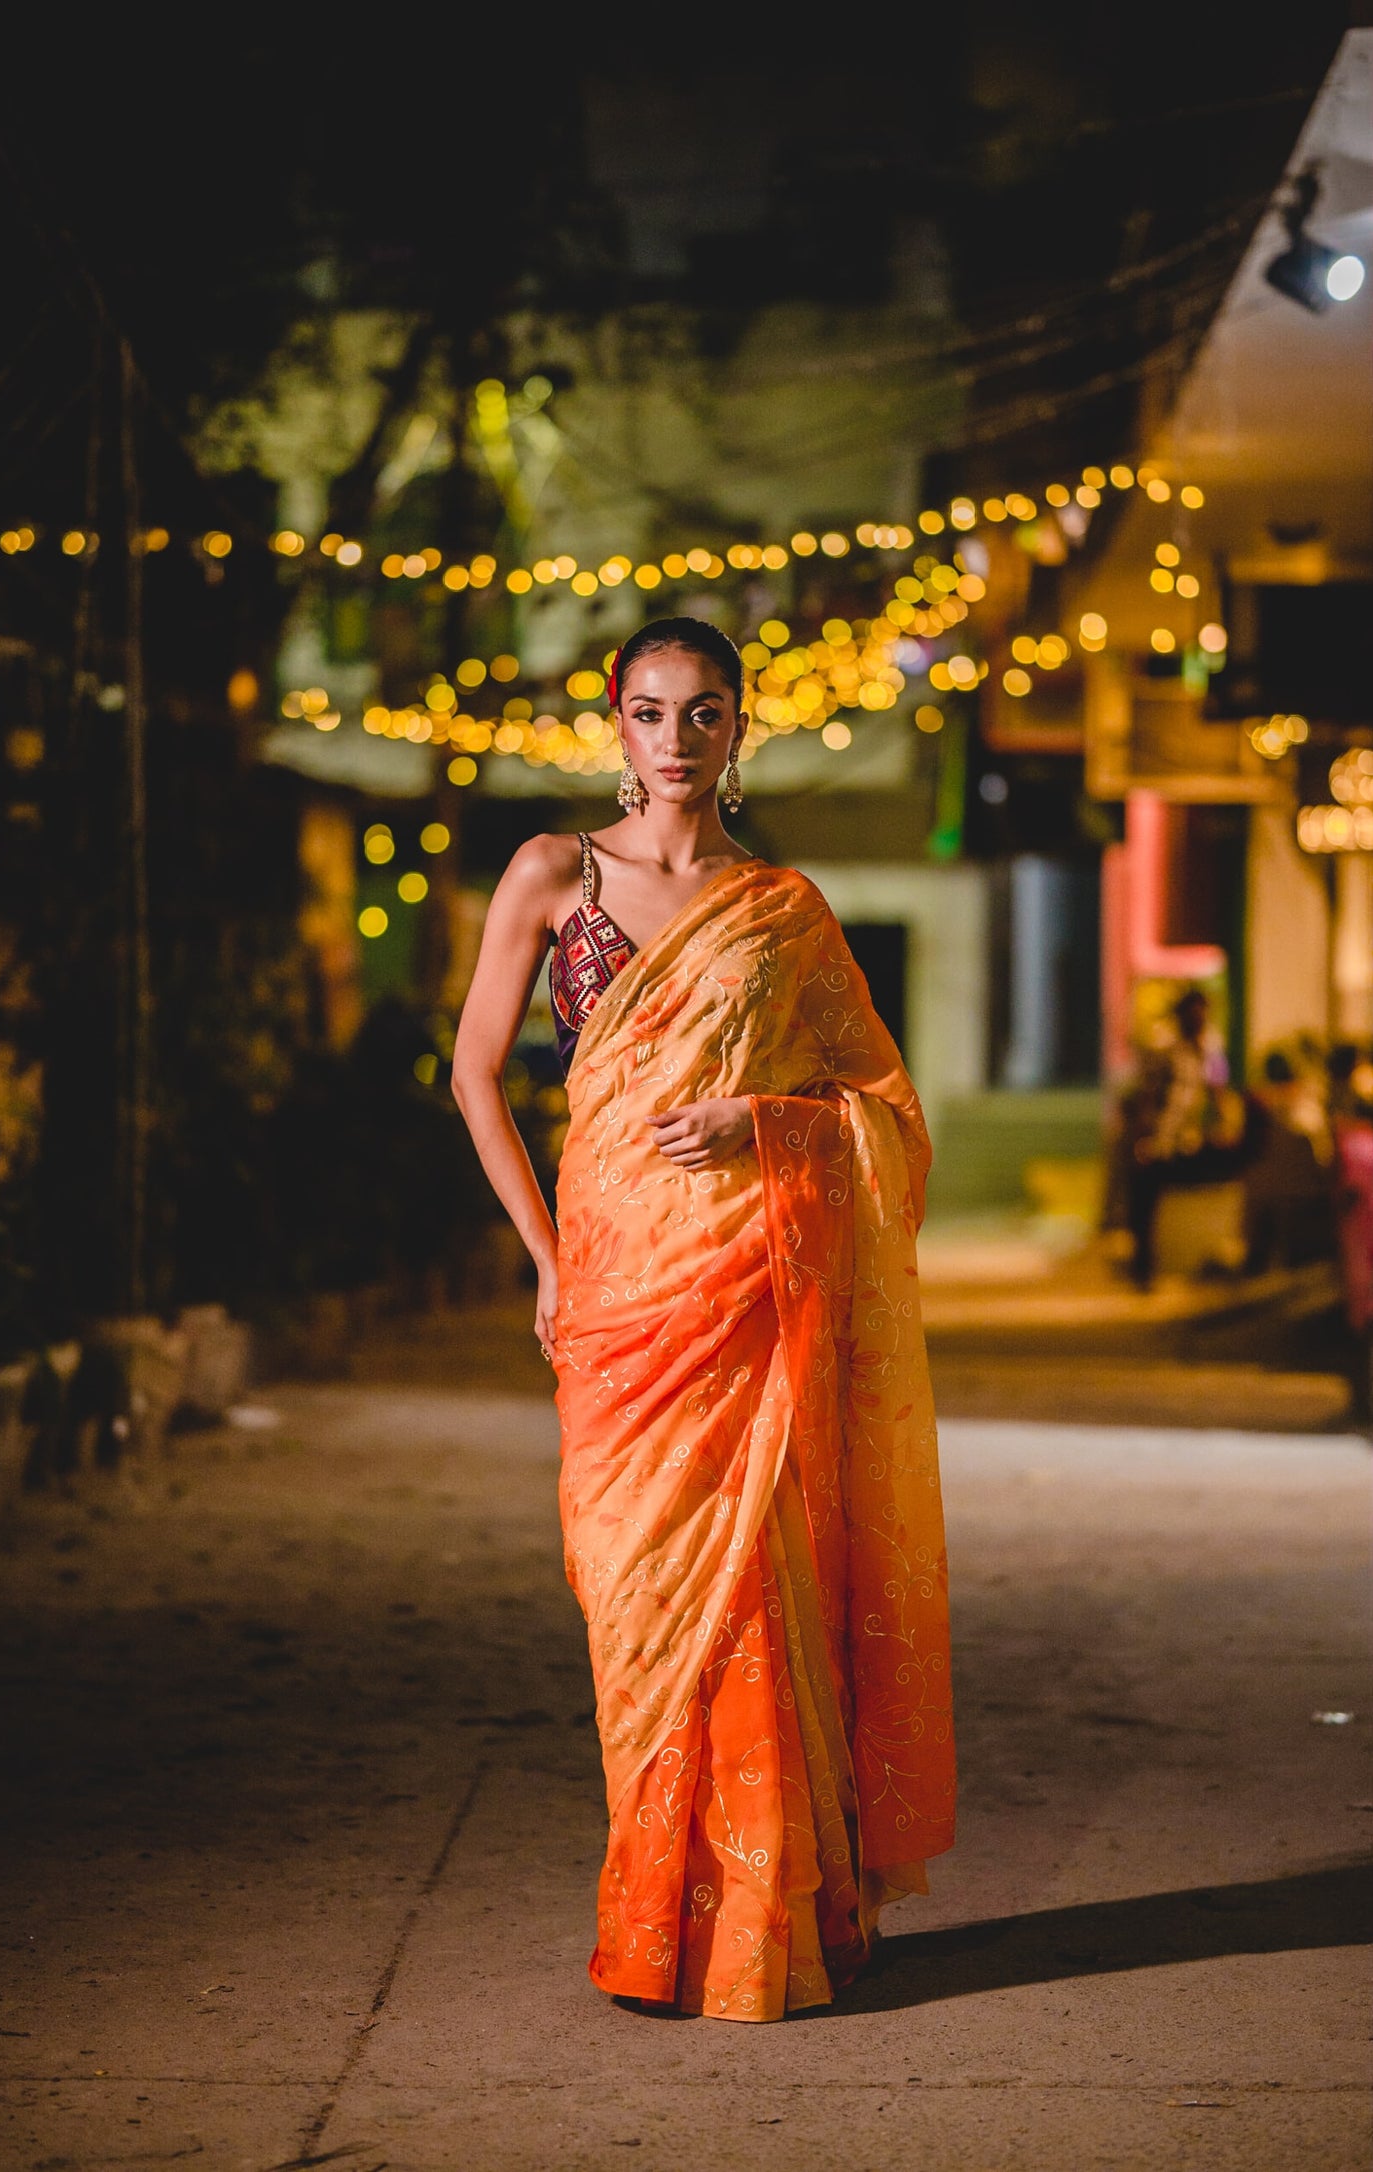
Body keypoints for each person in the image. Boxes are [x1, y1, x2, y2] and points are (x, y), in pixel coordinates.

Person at [453, 615, 954, 2022]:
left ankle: (754, 1926)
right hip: (615, 1292)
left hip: (745, 1283)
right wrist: (546, 1263)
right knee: (632, 1606)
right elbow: (474, 1077)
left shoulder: (781, 907)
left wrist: (767, 1123)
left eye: (706, 715)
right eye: (652, 712)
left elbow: (886, 1112)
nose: (676, 741)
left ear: (740, 731)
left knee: (755, 1593)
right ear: (615, 720)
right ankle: (657, 1913)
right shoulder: (554, 875)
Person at [1123, 987, 1248, 1288]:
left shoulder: (1209, 1053)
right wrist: (1144, 1139)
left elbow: (1219, 1094)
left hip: (1192, 1143)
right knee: (1143, 1193)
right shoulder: (1167, 1053)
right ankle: (1144, 1267)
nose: (1198, 1019)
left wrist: (1225, 1127)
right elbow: (1148, 1100)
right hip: (1164, 1143)